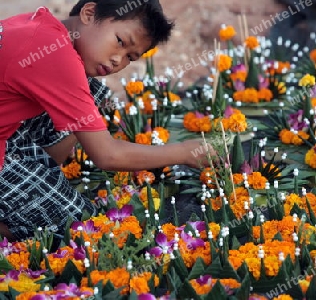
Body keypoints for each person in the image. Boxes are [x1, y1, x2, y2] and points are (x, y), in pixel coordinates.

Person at [0, 0, 215, 242]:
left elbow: (58, 154)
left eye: (130, 57)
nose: (118, 60)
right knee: (80, 227)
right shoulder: (55, 57)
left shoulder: (39, 25)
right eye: (121, 42)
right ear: (89, 13)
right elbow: (107, 156)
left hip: (8, 131)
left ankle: (25, 182)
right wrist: (184, 152)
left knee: (92, 93)